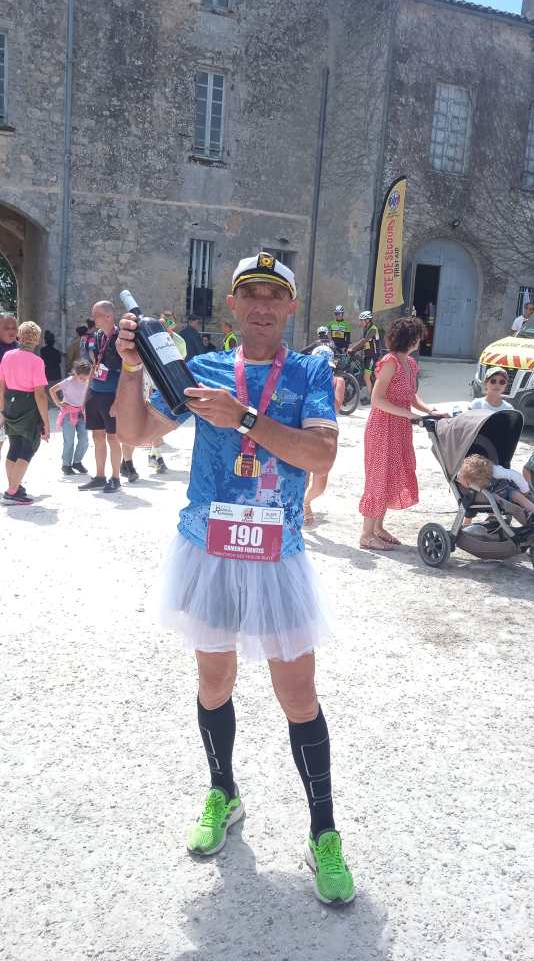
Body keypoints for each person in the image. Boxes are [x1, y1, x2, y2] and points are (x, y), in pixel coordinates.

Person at [114, 251, 355, 906]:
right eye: (251, 293)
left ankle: (324, 833)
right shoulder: (205, 370)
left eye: (274, 295)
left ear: (290, 306)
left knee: (297, 695)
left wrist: (242, 417)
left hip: (277, 555)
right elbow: (134, 434)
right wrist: (132, 369)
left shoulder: (310, 370)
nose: (262, 305)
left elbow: (321, 454)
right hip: (209, 550)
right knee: (214, 681)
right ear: (233, 304)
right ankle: (223, 791)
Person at [359, 317, 445, 550]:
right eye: (418, 336)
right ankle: (366, 535)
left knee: (391, 474)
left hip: (400, 427)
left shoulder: (411, 364)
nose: (420, 340)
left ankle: (378, 528)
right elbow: (377, 400)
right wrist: (410, 415)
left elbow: (411, 396)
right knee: (378, 477)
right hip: (382, 427)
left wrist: (430, 411)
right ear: (410, 338)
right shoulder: (390, 362)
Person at [80, 300, 137, 493]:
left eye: (95, 314)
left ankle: (115, 478)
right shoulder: (96, 337)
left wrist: (118, 401)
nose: (92, 318)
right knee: (97, 436)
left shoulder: (121, 340)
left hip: (112, 394)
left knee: (113, 438)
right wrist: (85, 396)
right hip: (95, 393)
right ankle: (99, 476)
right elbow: (94, 366)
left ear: (108, 316)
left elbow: (126, 372)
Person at [0, 321, 50, 504]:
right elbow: (40, 395)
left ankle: (14, 486)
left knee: (14, 447)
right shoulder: (37, 362)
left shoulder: (7, 356)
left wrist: (3, 410)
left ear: (19, 337)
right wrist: (46, 422)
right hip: (29, 407)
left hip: (10, 404)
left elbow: (1, 386)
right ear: (37, 340)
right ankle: (12, 492)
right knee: (27, 449)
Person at [303, 333, 346, 524]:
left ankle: (305, 501)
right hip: (303, 432)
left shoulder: (337, 382)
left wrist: (324, 386)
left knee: (320, 486)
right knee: (301, 475)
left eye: (325, 367)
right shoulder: (304, 380)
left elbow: (335, 408)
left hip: (325, 435)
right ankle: (301, 506)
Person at [147, 312, 188, 474]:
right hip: (153, 384)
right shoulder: (152, 339)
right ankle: (156, 456)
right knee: (154, 421)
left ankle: (154, 454)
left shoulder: (179, 342)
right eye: (162, 323)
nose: (165, 326)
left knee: (160, 422)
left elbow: (179, 363)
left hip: (169, 385)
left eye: (169, 322)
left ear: (174, 324)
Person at [457, 454, 534, 526]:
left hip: (505, 489)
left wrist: (525, 491)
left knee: (521, 498)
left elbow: (515, 476)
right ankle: (487, 519)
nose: (466, 485)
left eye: (468, 483)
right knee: (500, 503)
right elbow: (469, 503)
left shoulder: (496, 471)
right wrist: (467, 522)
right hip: (494, 496)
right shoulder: (465, 475)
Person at [49, 359, 91, 475]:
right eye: (81, 378)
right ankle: (66, 465)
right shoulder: (68, 381)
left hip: (81, 413)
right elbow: (52, 390)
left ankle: (77, 462)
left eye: (86, 378)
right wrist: (58, 403)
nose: (84, 380)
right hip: (68, 414)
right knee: (69, 440)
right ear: (75, 373)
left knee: (84, 440)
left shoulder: (88, 380)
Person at [348, 310, 382, 402]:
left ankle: (372, 399)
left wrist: (353, 348)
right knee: (367, 375)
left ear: (367, 320)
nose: (360, 322)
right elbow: (365, 345)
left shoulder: (373, 329)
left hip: (373, 356)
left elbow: (364, 341)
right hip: (368, 355)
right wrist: (354, 350)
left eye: (362, 320)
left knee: (366, 376)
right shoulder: (367, 329)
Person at [0, 313, 18, 461]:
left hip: (14, 402)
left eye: (14, 328)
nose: (11, 331)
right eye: (6, 328)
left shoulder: (20, 348)